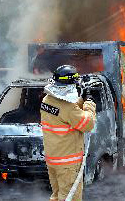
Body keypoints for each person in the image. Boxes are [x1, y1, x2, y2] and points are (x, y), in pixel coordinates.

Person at [40, 65, 96, 201]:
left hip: (53, 160)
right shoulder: (69, 108)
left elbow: (67, 109)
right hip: (67, 164)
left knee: (57, 196)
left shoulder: (47, 100)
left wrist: (81, 98)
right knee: (70, 198)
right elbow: (88, 123)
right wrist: (89, 102)